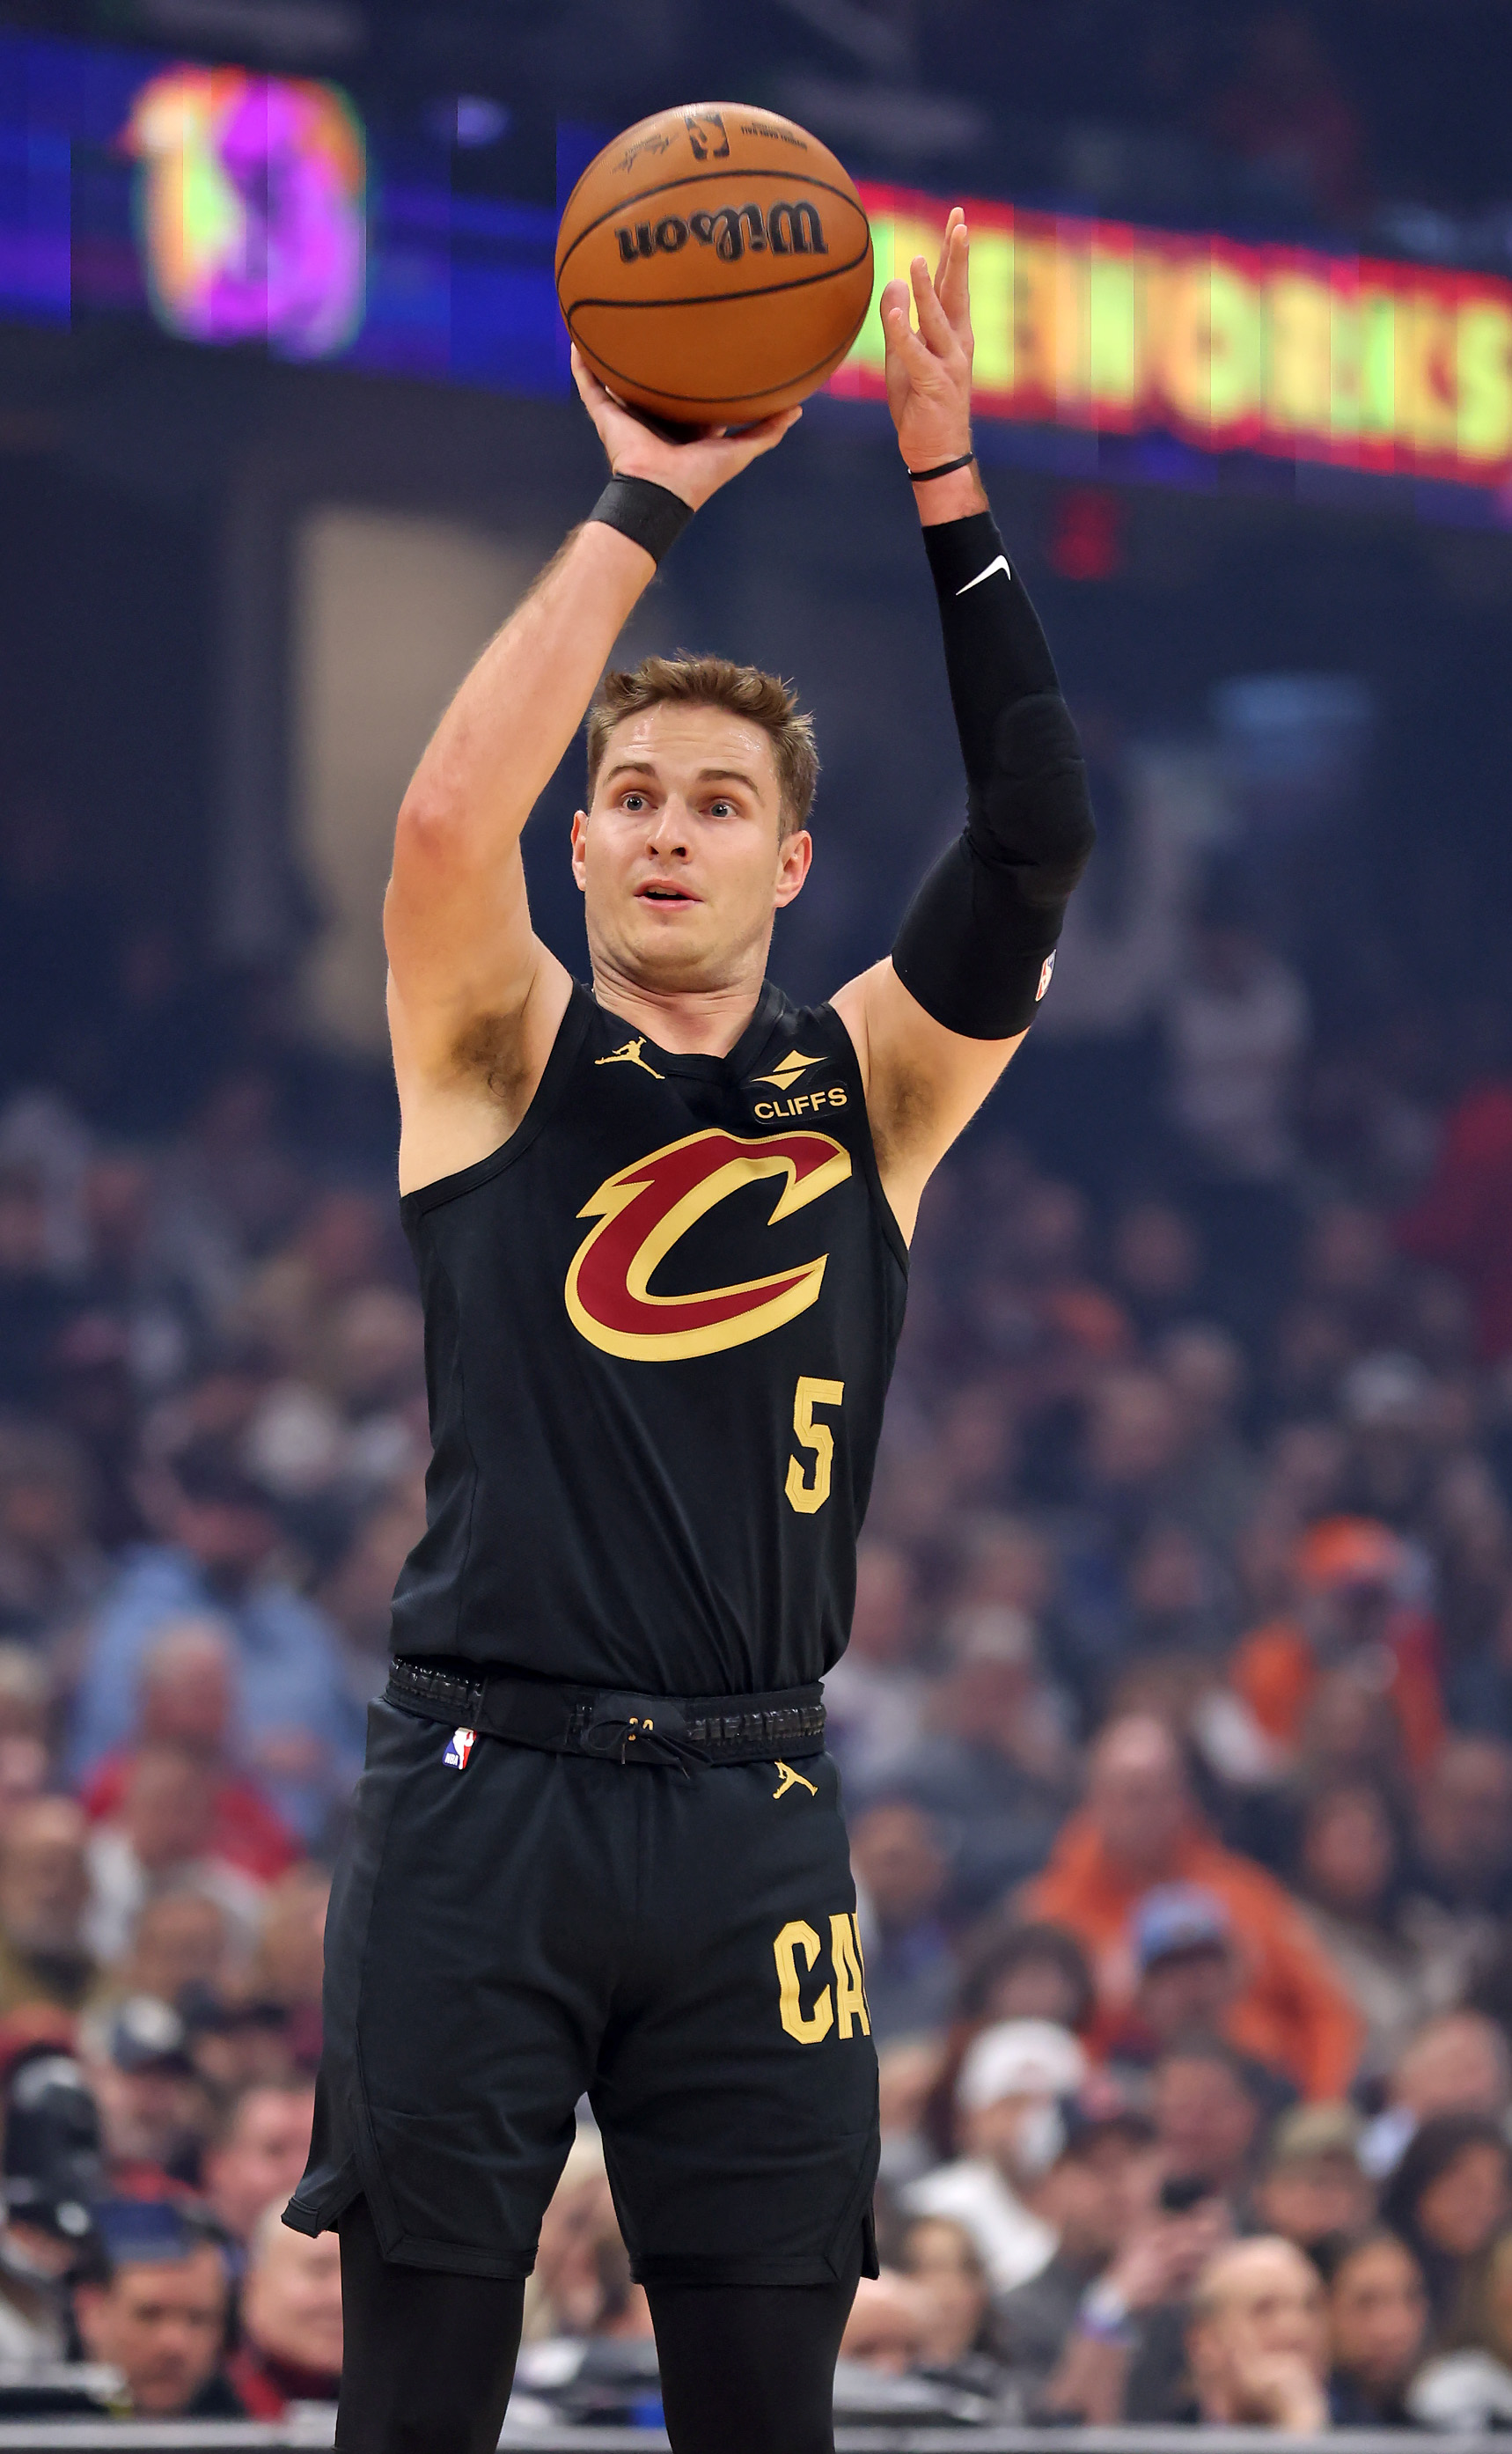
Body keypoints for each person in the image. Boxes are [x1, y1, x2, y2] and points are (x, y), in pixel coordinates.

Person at [284, 208, 1096, 2454]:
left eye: (713, 803)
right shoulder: (494, 1053)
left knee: (769, 2418)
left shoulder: (878, 1084)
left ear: (786, 865)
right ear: (582, 855)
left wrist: (945, 485)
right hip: (480, 1785)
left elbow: (1035, 828)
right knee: (417, 2418)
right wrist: (648, 489)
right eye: (628, 799)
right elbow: (446, 809)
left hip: (752, 1803)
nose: (661, 831)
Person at [1024, 1714, 1361, 2096]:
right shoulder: (1051, 1914)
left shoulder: (1246, 1892)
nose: (1147, 1813)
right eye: (1132, 1796)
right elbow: (1039, 2042)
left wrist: (1321, 2106)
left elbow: (1326, 2009)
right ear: (1094, 1800)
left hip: (1260, 2093)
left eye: (1162, 1793)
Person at [902, 2019, 1083, 2294]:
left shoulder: (1094, 2213)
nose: (1033, 2121)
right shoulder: (935, 2204)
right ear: (971, 2118)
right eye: (1013, 2103)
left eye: (1048, 2103)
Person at [73, 2201, 240, 2418]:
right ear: (91, 2312)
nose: (174, 2344)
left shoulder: (253, 2427)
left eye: (198, 2319)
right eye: (149, 2315)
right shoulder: (28, 2423)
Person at [1182, 2235, 1332, 2430]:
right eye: (1264, 2309)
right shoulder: (1150, 2439)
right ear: (1204, 2341)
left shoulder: (1371, 2435)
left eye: (1310, 2307)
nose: (1297, 2329)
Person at [1380, 2111, 1512, 2331]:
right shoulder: (1379, 2264)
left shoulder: (1499, 2283)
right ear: (1422, 2183)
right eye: (1469, 2188)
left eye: (1497, 2191)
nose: (1483, 2206)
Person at [227, 2203, 342, 2416]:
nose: (341, 2296)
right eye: (320, 2270)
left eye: (361, 2275)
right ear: (254, 2286)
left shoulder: (408, 2408)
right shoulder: (194, 2405)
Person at [1315, 2228, 1428, 2426]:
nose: (1394, 2327)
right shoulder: (1295, 2421)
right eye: (1366, 2303)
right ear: (1322, 2309)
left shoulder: (1430, 2422)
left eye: (1410, 2297)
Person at [202, 2080, 315, 2252]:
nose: (300, 2170)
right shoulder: (173, 2265)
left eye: (316, 2153)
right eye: (276, 2151)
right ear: (220, 2168)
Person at [1252, 2105, 1375, 2253]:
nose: (1312, 2197)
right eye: (1291, 2182)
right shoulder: (1244, 2263)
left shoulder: (1382, 2267)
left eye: (1336, 2182)